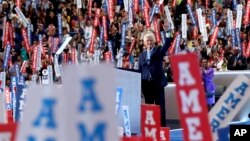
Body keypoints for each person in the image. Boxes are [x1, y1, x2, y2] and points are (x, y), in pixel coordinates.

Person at [138, 31, 172, 127]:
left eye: (151, 40)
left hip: (157, 84)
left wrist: (167, 31)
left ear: (154, 41)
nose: (149, 42)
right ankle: (151, 128)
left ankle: (162, 129)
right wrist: (140, 86)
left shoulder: (159, 50)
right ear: (144, 43)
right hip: (146, 85)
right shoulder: (141, 55)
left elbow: (167, 43)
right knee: (149, 108)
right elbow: (139, 71)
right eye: (147, 40)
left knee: (160, 107)